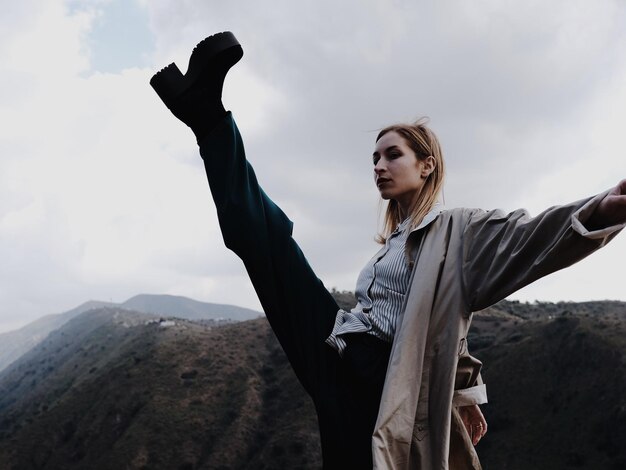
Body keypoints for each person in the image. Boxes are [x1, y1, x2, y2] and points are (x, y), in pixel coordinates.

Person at [150, 32, 626, 470]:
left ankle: (205, 115)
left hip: (376, 383)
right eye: (374, 157)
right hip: (339, 347)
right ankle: (207, 118)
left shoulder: (455, 233)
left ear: (426, 165)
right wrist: (466, 391)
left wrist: (598, 211)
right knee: (267, 241)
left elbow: (523, 240)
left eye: (392, 154)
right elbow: (435, 321)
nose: (379, 165)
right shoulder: (390, 248)